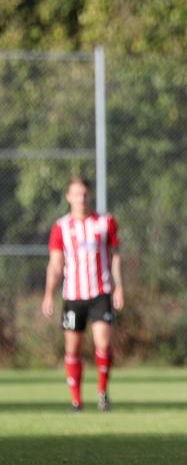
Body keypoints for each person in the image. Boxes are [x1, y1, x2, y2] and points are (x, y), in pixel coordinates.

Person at [41, 175, 124, 412]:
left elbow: (115, 257)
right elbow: (55, 264)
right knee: (72, 349)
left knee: (103, 343)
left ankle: (102, 393)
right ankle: (76, 400)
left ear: (90, 195)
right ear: (69, 197)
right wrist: (48, 293)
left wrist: (119, 286)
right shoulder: (61, 227)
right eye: (76, 194)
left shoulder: (105, 222)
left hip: (101, 292)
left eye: (84, 194)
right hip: (73, 295)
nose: (81, 198)